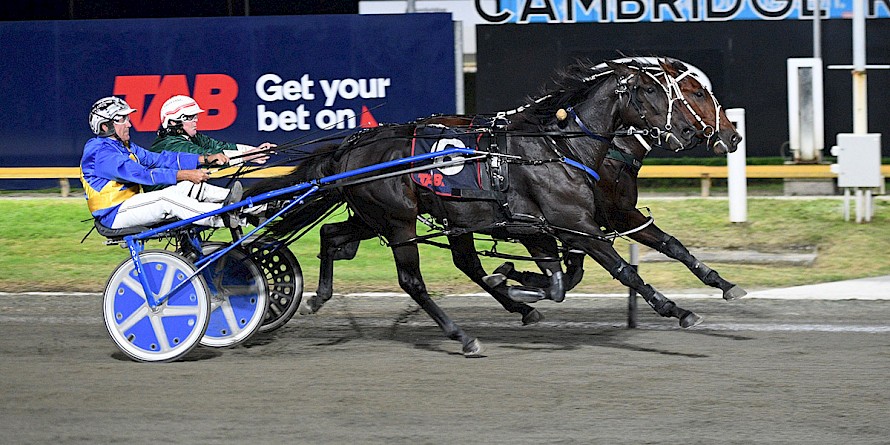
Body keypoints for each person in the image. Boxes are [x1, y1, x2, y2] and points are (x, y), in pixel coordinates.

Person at [80, 96, 243, 230]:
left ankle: (240, 202)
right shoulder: (100, 153)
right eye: (123, 120)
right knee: (167, 198)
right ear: (105, 126)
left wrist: (204, 159)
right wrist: (185, 174)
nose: (129, 124)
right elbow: (143, 174)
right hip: (113, 213)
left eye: (128, 119)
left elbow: (160, 159)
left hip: (129, 205)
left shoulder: (123, 146)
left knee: (189, 186)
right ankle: (223, 216)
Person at [150, 95, 273, 169]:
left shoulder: (190, 136)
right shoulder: (173, 144)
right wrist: (249, 155)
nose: (196, 120)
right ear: (173, 122)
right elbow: (211, 157)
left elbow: (219, 146)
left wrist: (254, 151)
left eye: (195, 116)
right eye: (190, 117)